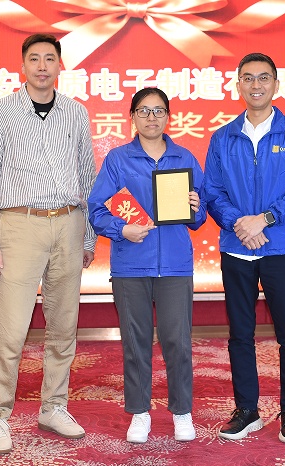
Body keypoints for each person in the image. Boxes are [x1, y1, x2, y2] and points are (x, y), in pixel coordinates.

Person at [0, 33, 97, 455]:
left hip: (69, 224)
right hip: (19, 225)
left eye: (49, 59)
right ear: (22, 65)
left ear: (60, 65)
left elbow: (87, 177)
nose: (42, 66)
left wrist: (89, 234)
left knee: (63, 327)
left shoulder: (76, 113)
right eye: (34, 59)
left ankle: (54, 407)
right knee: (10, 331)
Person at [203, 53, 285, 444]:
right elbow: (213, 192)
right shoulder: (223, 137)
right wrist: (240, 223)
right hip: (237, 247)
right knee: (240, 333)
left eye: (264, 78)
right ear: (238, 84)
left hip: (281, 247)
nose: (256, 85)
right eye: (248, 78)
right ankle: (247, 410)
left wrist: (265, 219)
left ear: (276, 84)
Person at [88, 87, 207, 444]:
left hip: (174, 266)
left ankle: (182, 411)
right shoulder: (118, 159)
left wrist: (195, 207)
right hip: (130, 265)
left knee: (177, 341)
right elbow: (96, 208)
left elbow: (201, 215)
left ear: (168, 116)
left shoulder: (184, 157)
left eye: (158, 111)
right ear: (132, 117)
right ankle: (140, 412)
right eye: (143, 111)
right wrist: (122, 229)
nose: (151, 118)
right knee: (135, 342)